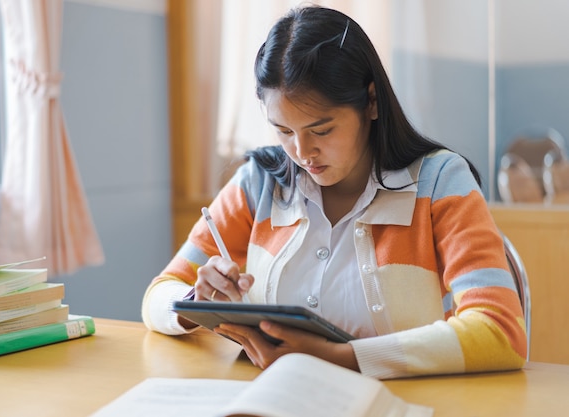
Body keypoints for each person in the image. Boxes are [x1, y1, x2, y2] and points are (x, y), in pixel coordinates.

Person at [142, 5, 527, 379]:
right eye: (284, 131)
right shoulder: (260, 181)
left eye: (322, 130)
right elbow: (159, 294)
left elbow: (500, 332)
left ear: (371, 102)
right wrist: (195, 303)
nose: (302, 152)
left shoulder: (440, 181)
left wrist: (341, 357)